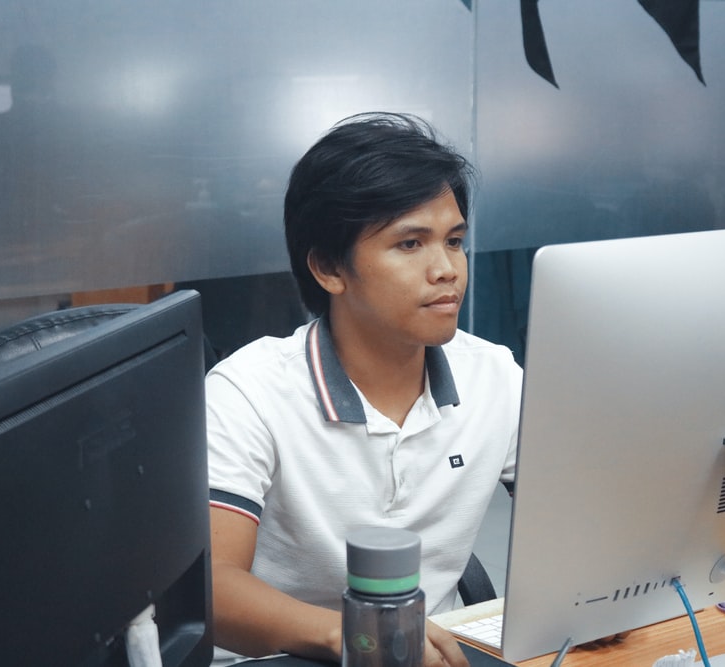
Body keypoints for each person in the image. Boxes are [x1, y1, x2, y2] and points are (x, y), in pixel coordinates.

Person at [205, 112, 522, 666]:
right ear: (330, 268)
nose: (446, 269)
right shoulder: (248, 391)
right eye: (410, 244)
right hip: (286, 659)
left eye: (454, 241)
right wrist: (358, 637)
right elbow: (212, 587)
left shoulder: (495, 377)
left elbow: (585, 527)